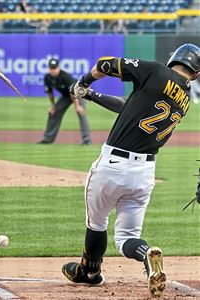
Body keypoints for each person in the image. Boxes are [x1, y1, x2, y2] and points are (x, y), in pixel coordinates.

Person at [61, 43, 200, 297]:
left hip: (112, 165)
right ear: (196, 74)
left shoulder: (156, 71)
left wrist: (83, 82)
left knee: (97, 223)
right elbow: (126, 105)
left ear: (173, 60)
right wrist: (89, 95)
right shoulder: (185, 98)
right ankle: (146, 255)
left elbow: (105, 63)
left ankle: (90, 272)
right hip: (145, 173)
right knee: (126, 238)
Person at [38, 58, 92, 145]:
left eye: (54, 68)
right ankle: (47, 139)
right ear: (48, 68)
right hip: (65, 96)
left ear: (58, 67)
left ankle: (87, 140)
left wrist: (77, 106)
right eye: (51, 68)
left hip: (78, 94)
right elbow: (50, 93)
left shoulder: (65, 76)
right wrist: (52, 106)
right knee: (53, 112)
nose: (53, 70)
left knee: (81, 113)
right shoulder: (47, 78)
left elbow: (73, 92)